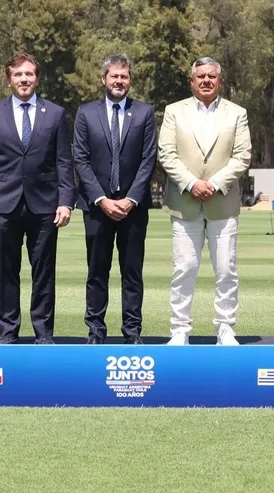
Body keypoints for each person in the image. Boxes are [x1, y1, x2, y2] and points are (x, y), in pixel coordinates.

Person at [0, 52, 75, 344]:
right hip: (4, 205)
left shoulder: (54, 113)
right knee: (7, 271)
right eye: (18, 75)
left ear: (37, 77)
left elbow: (64, 162)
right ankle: (8, 331)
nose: (24, 79)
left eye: (29, 74)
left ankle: (43, 333)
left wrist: (66, 200)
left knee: (44, 272)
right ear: (9, 80)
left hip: (44, 205)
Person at [158, 57, 252, 346]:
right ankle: (180, 329)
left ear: (220, 81)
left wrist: (212, 184)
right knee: (184, 268)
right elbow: (166, 153)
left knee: (226, 269)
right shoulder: (174, 111)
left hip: (222, 202)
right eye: (201, 76)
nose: (206, 81)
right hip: (185, 202)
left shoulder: (237, 113)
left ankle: (224, 327)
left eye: (212, 76)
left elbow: (242, 156)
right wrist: (191, 184)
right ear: (192, 81)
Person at [73, 54, 157, 344]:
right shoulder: (85, 113)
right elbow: (80, 161)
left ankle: (132, 332)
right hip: (97, 209)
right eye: (114, 76)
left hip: (134, 208)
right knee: (97, 272)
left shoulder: (144, 113)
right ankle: (95, 331)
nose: (119, 81)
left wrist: (131, 199)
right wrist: (101, 199)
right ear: (103, 79)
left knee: (132, 273)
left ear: (129, 80)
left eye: (124, 76)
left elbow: (149, 160)